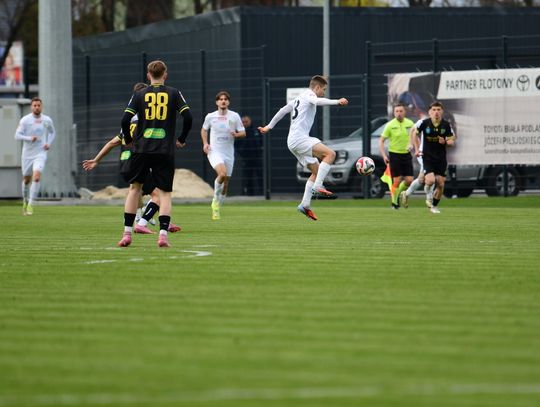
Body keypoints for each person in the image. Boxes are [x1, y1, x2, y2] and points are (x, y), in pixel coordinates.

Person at [82, 83, 181, 234]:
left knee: (135, 192)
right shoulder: (145, 122)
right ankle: (142, 222)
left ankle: (141, 219)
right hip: (138, 161)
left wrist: (96, 160)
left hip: (125, 165)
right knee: (158, 195)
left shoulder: (129, 123)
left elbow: (112, 143)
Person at [117, 60, 192, 247]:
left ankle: (127, 234)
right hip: (164, 149)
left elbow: (125, 119)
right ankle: (163, 236)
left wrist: (128, 139)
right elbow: (188, 117)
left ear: (148, 75)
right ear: (165, 74)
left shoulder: (139, 94)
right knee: (165, 193)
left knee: (135, 189)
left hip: (141, 148)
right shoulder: (174, 93)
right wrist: (182, 138)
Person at [258, 75, 348, 220]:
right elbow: (317, 101)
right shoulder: (310, 95)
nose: (324, 92)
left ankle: (305, 205)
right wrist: (337, 101)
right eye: (324, 89)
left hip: (292, 141)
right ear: (317, 87)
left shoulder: (299, 98)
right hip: (299, 139)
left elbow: (283, 110)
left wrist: (269, 126)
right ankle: (318, 187)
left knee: (316, 171)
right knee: (330, 154)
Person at [201, 91, 246, 220]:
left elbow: (243, 133)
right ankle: (215, 201)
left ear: (228, 102)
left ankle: (218, 206)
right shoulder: (210, 116)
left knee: (226, 183)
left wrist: (236, 134)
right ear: (217, 102)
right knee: (222, 174)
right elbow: (204, 129)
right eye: (220, 99)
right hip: (214, 151)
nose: (223, 101)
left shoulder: (234, 116)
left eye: (225, 99)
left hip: (228, 153)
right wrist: (205, 143)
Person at [409, 101, 455, 214]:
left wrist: (445, 141)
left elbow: (451, 142)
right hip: (427, 157)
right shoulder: (424, 123)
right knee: (430, 180)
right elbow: (414, 133)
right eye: (434, 110)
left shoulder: (446, 125)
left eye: (438, 110)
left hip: (441, 159)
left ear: (442, 111)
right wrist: (416, 149)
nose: (436, 112)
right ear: (429, 112)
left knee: (440, 184)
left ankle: (433, 206)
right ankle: (428, 198)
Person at [14, 97, 56, 215]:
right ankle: (25, 201)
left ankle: (31, 205)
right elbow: (17, 135)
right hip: (27, 154)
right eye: (35, 105)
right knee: (26, 180)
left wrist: (48, 143)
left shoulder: (46, 120)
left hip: (40, 153)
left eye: (39, 105)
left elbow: (52, 132)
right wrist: (29, 138)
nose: (37, 107)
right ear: (31, 107)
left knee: (36, 177)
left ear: (41, 107)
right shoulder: (25, 120)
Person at [378, 103, 414, 209]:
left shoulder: (410, 123)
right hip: (394, 155)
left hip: (406, 155)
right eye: (397, 111)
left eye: (401, 111)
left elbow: (414, 137)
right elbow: (381, 141)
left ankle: (398, 194)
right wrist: (384, 156)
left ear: (405, 112)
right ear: (394, 113)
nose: (399, 113)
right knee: (397, 181)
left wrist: (412, 144)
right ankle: (394, 203)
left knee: (409, 180)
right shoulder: (390, 125)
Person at [236, 115, 263, 196]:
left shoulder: (256, 130)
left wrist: (260, 150)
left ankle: (262, 193)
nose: (245, 123)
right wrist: (241, 153)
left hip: (257, 157)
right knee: (248, 176)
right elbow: (237, 144)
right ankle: (249, 193)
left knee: (260, 175)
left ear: (250, 121)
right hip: (246, 158)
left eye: (246, 122)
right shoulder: (240, 132)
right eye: (243, 122)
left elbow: (261, 141)